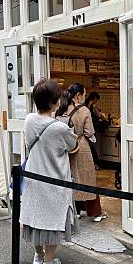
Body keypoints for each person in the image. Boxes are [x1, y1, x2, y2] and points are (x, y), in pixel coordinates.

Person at [20, 79, 78, 264]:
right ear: (55, 103)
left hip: (34, 177)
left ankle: (38, 255)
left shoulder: (28, 120)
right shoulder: (59, 128)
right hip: (54, 179)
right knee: (53, 221)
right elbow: (72, 145)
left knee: (34, 216)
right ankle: (49, 262)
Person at [56, 83, 107, 223]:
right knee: (88, 179)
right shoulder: (84, 110)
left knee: (72, 178)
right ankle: (95, 212)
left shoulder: (61, 108)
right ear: (78, 95)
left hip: (65, 148)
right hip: (81, 147)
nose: (85, 97)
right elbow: (89, 132)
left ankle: (76, 210)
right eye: (84, 94)